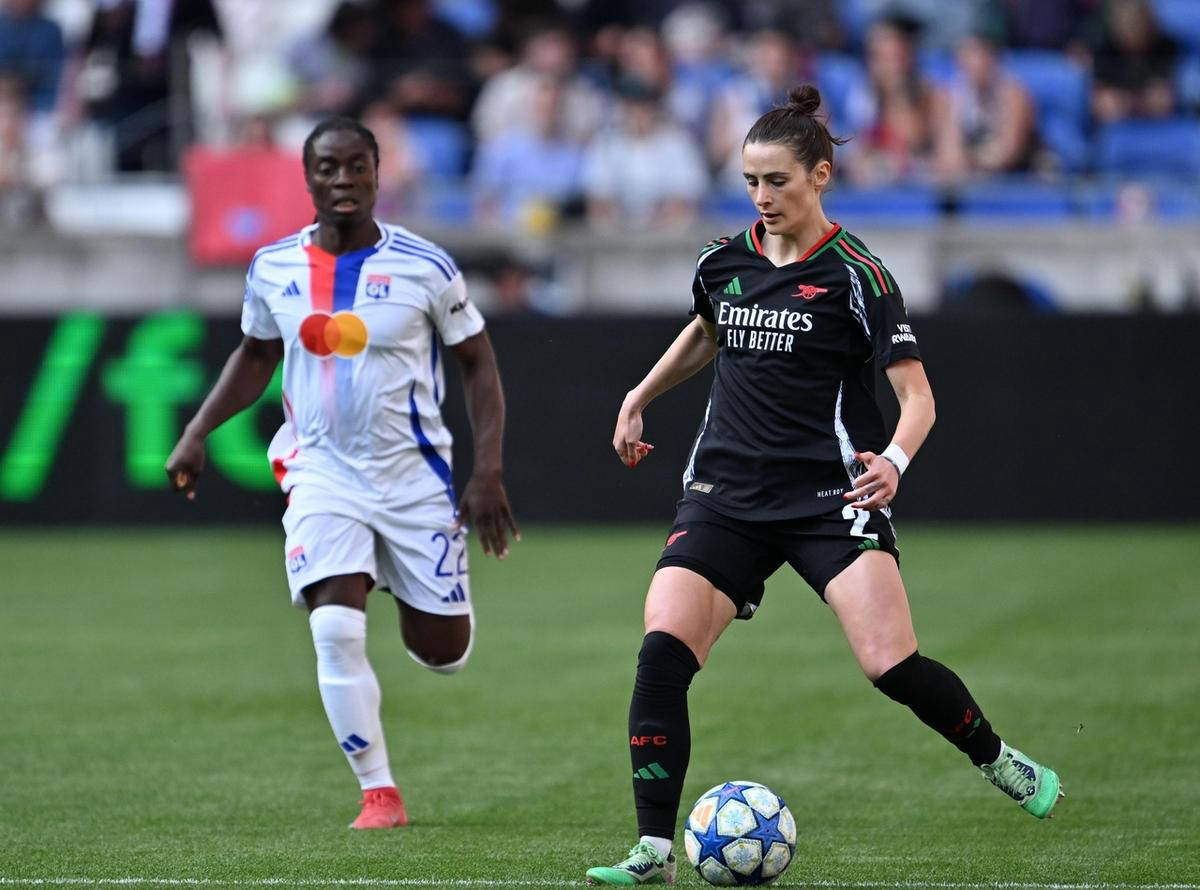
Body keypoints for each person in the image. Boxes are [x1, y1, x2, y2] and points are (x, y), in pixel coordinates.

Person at [585, 85, 1063, 886]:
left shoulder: (858, 275)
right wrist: (640, 395)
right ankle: (653, 852)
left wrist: (894, 461)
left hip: (830, 500)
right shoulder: (721, 261)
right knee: (661, 651)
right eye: (750, 181)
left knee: (890, 665)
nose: (762, 196)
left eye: (777, 180)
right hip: (726, 495)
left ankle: (998, 758)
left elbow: (918, 398)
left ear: (820, 176)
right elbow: (706, 329)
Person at [165, 117, 518, 830]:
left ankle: (387, 572)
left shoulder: (425, 266)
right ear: (308, 179)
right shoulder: (273, 267)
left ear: (378, 173)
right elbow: (256, 354)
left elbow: (477, 360)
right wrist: (198, 431)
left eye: (357, 165)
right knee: (334, 627)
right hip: (321, 470)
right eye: (328, 168)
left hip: (414, 477)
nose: (343, 179)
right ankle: (378, 792)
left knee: (443, 654)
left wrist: (488, 471)